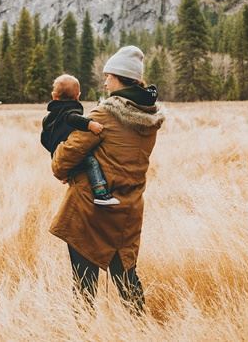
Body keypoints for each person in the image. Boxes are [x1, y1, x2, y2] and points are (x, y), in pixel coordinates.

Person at [49, 45, 164, 314]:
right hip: (128, 211)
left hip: (91, 212)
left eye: (108, 76)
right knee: (127, 280)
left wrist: (64, 166)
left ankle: (83, 333)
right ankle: (139, 331)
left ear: (120, 78)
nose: (105, 81)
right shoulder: (149, 117)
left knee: (84, 287)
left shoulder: (103, 115)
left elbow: (63, 160)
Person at [41, 74, 120, 206]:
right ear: (78, 96)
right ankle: (100, 193)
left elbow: (43, 139)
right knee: (91, 162)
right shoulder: (69, 111)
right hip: (68, 151)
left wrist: (54, 151)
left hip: (57, 153)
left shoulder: (48, 118)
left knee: (75, 169)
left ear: (54, 96)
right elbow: (72, 118)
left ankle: (67, 174)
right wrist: (90, 125)